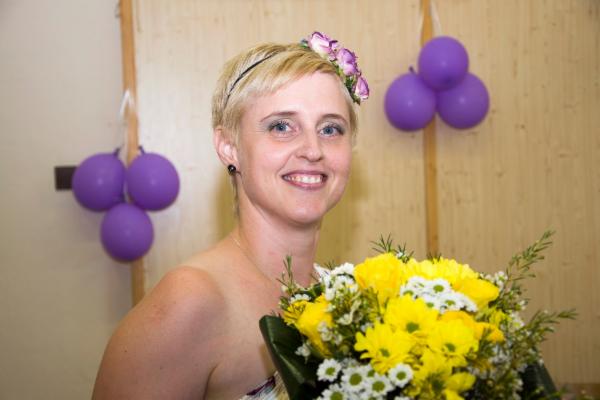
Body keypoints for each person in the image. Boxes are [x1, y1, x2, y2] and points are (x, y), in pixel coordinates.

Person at [92, 31, 369, 400]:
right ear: (228, 147)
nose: (313, 150)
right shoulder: (189, 302)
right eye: (281, 126)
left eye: (331, 128)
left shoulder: (343, 293)